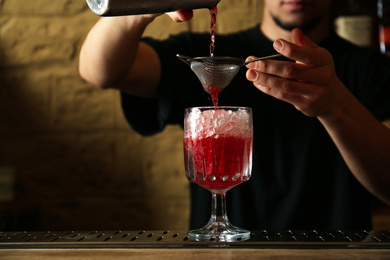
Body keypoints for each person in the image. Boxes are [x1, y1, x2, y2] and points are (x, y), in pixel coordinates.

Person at [79, 0, 390, 230]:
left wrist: (335, 104)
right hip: (222, 253)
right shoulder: (208, 54)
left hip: (337, 252)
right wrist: (142, 6)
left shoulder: (371, 69)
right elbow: (100, 72)